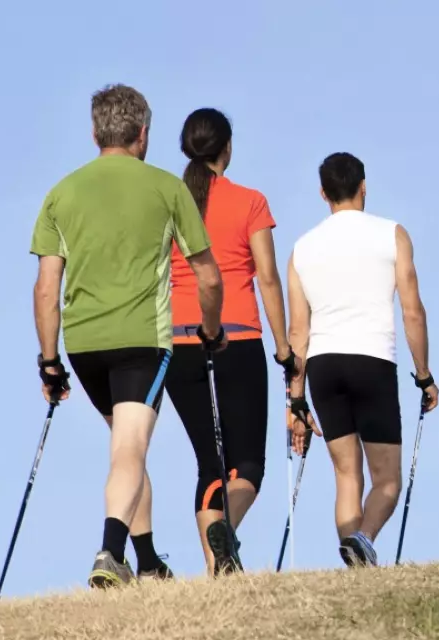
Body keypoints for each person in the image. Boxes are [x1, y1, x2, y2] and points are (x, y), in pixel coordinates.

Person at [30, 84, 227, 589]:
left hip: (83, 345)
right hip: (142, 340)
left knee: (126, 447)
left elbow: (46, 288)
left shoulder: (61, 193)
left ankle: (148, 561)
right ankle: (111, 553)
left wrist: (49, 363)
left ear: (95, 133)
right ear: (143, 134)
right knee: (130, 450)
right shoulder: (166, 187)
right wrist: (210, 329)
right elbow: (208, 278)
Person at [286, 152, 439, 568]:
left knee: (346, 476)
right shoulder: (392, 235)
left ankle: (356, 569)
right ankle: (364, 538)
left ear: (323, 193)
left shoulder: (302, 249)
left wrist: (295, 400)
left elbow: (298, 332)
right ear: (364, 186)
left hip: (323, 365)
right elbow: (412, 311)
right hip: (372, 360)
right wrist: (424, 375)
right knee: (387, 480)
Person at [164, 107, 295, 576]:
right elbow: (268, 278)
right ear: (227, 148)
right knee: (247, 466)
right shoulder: (250, 201)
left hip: (178, 343)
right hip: (237, 338)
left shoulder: (168, 204)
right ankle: (228, 532)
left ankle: (218, 571)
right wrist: (284, 349)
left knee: (209, 464)